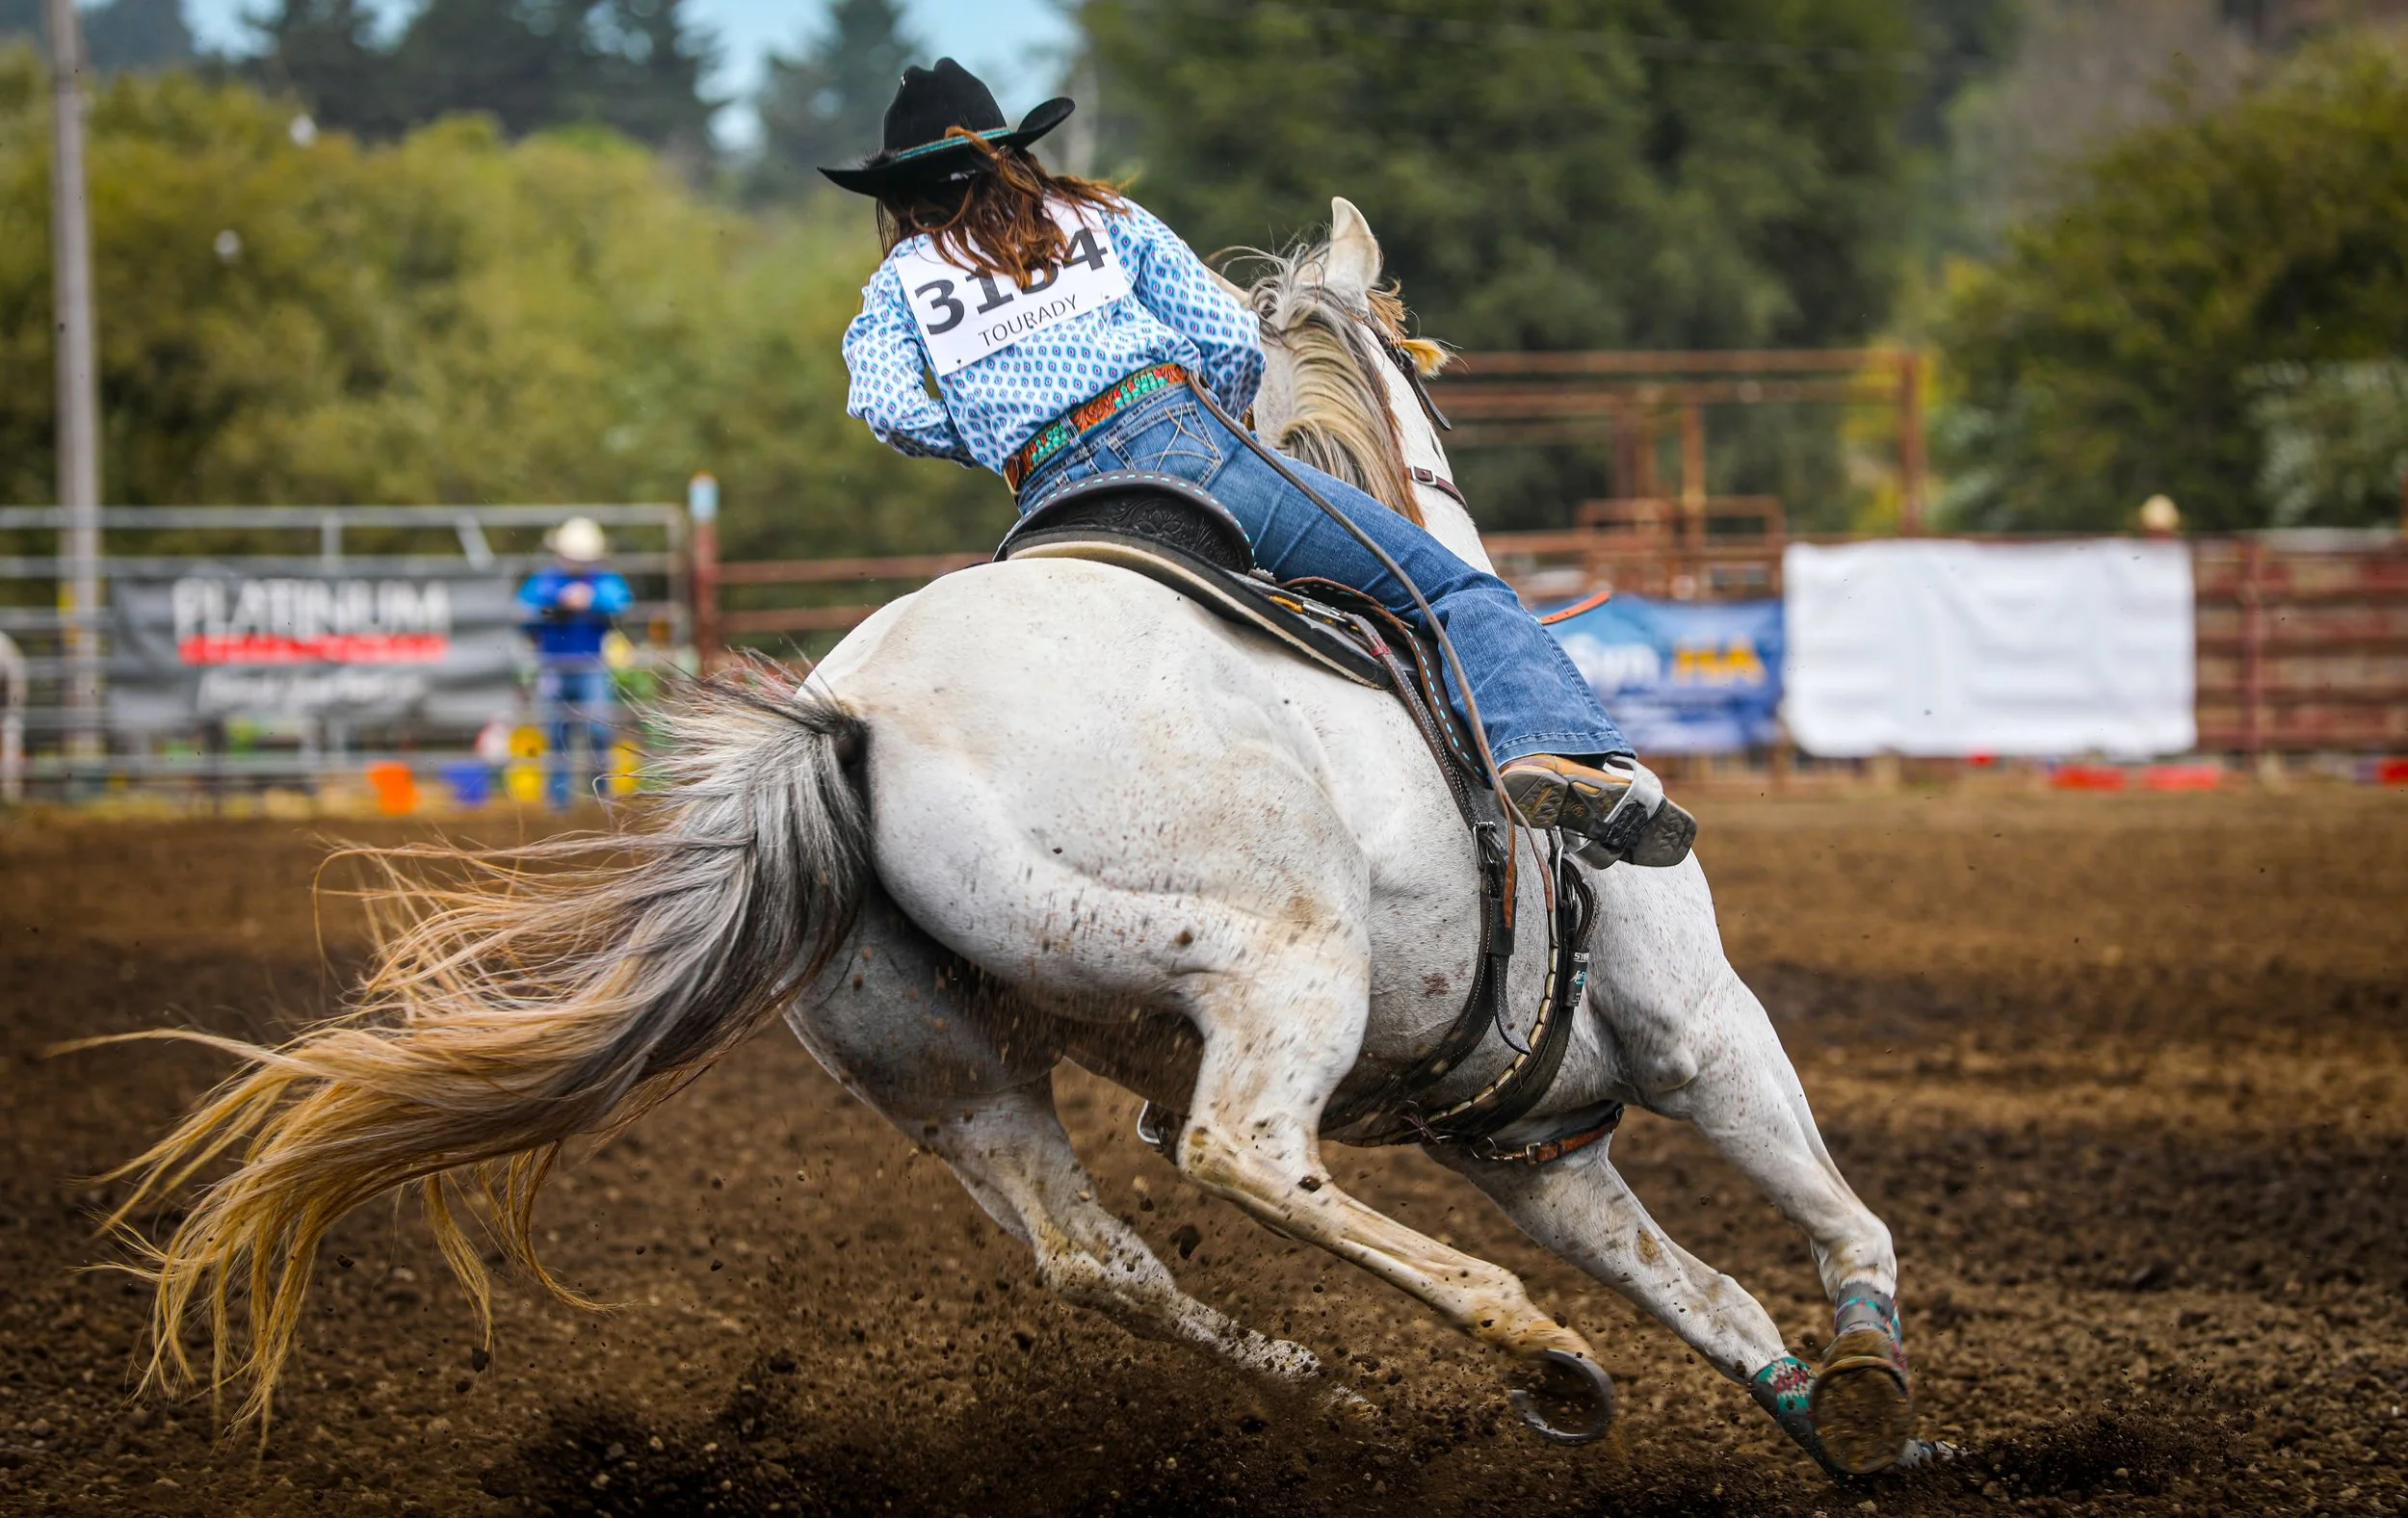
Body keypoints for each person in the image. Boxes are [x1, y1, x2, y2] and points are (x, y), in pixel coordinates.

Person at [826, 60, 1692, 867]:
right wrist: (1217, 418)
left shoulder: (898, 285)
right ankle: (1551, 754)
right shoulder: (1102, 218)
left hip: (1049, 500)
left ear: (899, 193)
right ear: (1013, 155)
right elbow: (1229, 338)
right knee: (1454, 588)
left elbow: (891, 411)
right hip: (1183, 446)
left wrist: (993, 433)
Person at [516, 516, 633, 809]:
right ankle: (559, 804)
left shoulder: (601, 581)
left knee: (598, 731)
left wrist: (590, 600)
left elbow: (620, 602)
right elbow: (524, 611)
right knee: (557, 735)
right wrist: (557, 602)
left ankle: (600, 797)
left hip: (591, 665)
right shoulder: (545, 581)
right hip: (553, 664)